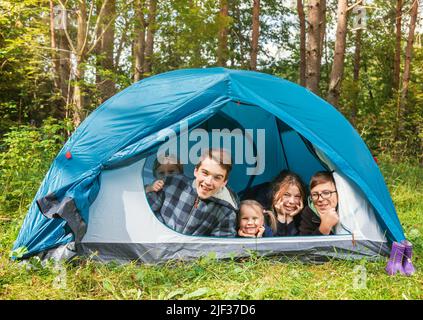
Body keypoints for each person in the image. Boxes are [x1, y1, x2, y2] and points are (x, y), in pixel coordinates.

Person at [146, 148, 239, 237]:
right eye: (205, 173)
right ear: (196, 171)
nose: (208, 182)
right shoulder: (171, 183)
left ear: (224, 182)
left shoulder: (227, 212)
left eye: (217, 177)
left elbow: (220, 248)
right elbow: (145, 209)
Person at [299, 171, 339, 235]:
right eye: (314, 194)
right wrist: (324, 227)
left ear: (337, 194)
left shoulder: (349, 210)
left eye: (326, 193)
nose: (320, 199)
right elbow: (305, 243)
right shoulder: (308, 212)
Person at [271, 171, 306, 236]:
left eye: (297, 196)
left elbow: (295, 244)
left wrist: (290, 218)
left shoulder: (305, 218)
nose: (292, 201)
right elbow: (277, 244)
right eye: (286, 195)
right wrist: (281, 217)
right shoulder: (264, 216)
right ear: (275, 194)